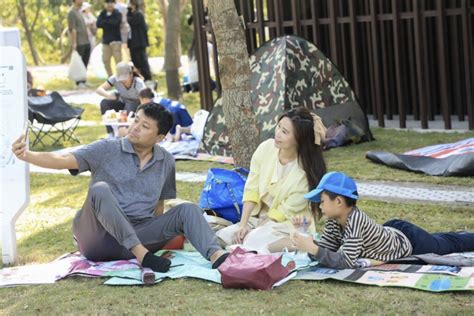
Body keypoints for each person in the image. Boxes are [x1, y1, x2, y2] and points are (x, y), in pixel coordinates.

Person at [11, 102, 229, 272]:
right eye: (136, 120)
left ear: (160, 137)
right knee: (99, 189)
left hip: (138, 233)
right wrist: (27, 155)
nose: (135, 127)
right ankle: (141, 255)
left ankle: (217, 256)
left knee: (187, 209)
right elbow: (63, 160)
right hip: (98, 238)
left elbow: (159, 206)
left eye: (144, 126)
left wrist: (159, 236)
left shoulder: (166, 161)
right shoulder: (106, 148)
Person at [292, 171, 474, 269]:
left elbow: (345, 262)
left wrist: (312, 247)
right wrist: (305, 237)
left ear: (338, 201)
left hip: (409, 241)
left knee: (448, 244)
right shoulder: (334, 222)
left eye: (322, 201)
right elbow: (326, 253)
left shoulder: (355, 220)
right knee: (442, 239)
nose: (320, 206)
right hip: (391, 232)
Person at [216, 107, 327, 253]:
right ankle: (252, 243)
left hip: (288, 223)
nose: (278, 134)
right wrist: (243, 225)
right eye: (279, 127)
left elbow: (283, 212)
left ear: (299, 140)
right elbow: (252, 188)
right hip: (259, 218)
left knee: (252, 239)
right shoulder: (265, 148)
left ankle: (300, 242)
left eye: (285, 132)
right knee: (223, 237)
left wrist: (255, 231)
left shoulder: (304, 174)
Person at [96, 61, 145, 135]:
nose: (123, 81)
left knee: (129, 106)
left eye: (125, 78)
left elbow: (145, 98)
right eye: (121, 78)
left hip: (135, 104)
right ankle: (111, 133)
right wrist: (108, 95)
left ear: (131, 74)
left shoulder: (138, 82)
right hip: (122, 102)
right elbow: (99, 89)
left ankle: (122, 131)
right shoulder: (114, 79)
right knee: (104, 102)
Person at [127, 0, 153, 84]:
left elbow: (131, 22)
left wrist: (128, 12)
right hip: (132, 43)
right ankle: (140, 77)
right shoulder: (131, 14)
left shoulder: (138, 14)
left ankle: (147, 77)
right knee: (135, 61)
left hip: (139, 42)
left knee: (142, 61)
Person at [67, 0, 91, 89]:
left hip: (86, 40)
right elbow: (73, 29)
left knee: (85, 61)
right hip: (79, 42)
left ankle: (83, 80)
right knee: (79, 62)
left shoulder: (80, 11)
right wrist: (74, 43)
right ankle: (79, 82)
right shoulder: (71, 13)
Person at [96, 0, 123, 77]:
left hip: (116, 40)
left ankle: (120, 77)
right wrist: (109, 21)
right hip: (106, 41)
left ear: (114, 4)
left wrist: (106, 22)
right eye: (108, 3)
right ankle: (110, 77)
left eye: (111, 3)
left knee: (118, 60)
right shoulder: (102, 13)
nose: (109, 5)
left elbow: (116, 23)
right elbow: (98, 24)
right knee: (105, 60)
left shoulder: (117, 13)